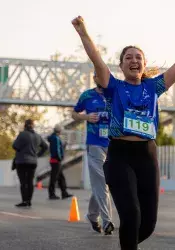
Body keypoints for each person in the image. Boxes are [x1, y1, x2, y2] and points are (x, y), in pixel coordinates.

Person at [72, 15, 175, 250]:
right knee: (131, 214)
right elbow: (96, 59)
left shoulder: (153, 87)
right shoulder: (113, 87)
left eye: (138, 57)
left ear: (144, 64)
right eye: (128, 57)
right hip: (119, 156)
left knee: (147, 224)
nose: (134, 60)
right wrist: (83, 32)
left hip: (147, 155)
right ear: (121, 65)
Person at [72, 73, 114, 235]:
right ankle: (107, 221)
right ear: (95, 78)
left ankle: (91, 215)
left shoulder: (115, 94)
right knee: (102, 182)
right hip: (94, 143)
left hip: (112, 143)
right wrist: (86, 117)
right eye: (99, 75)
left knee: (103, 183)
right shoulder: (87, 95)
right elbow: (74, 113)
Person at [13, 119, 48, 207]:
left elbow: (15, 146)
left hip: (21, 162)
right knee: (30, 181)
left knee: (23, 182)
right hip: (33, 162)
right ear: (33, 126)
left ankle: (24, 201)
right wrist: (38, 155)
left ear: (25, 125)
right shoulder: (37, 136)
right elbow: (45, 146)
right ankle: (29, 201)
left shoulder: (22, 134)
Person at [47, 124, 73, 200]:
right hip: (56, 160)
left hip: (54, 160)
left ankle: (64, 193)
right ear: (59, 131)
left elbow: (58, 148)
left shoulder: (54, 137)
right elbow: (57, 150)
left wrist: (63, 146)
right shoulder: (56, 138)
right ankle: (52, 194)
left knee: (61, 177)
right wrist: (60, 157)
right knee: (54, 178)